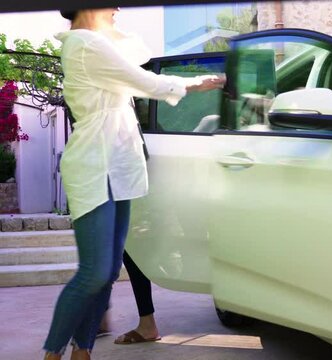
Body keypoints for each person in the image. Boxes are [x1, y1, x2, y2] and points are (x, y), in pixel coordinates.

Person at [44, 8, 224, 360]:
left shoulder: (99, 42)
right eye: (110, 3)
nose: (117, 9)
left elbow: (136, 57)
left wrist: (108, 27)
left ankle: (83, 352)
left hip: (120, 166)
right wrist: (195, 83)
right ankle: (52, 353)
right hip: (95, 166)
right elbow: (146, 81)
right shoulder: (83, 44)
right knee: (94, 272)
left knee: (109, 272)